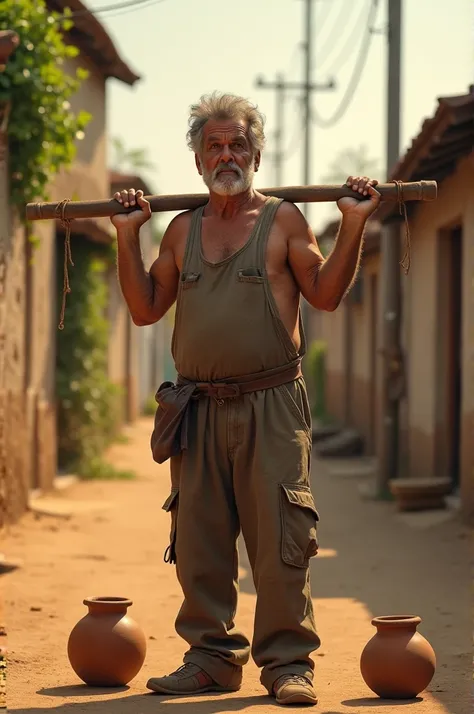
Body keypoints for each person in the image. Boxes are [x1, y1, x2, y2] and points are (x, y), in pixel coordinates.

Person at [111, 92, 380, 707]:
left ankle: (288, 663)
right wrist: (128, 234)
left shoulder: (283, 222)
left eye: (238, 145)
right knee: (200, 541)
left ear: (256, 154)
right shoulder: (181, 231)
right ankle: (210, 658)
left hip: (273, 405)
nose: (226, 155)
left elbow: (327, 295)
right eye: (214, 145)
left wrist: (356, 222)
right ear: (198, 158)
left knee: (283, 539)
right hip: (197, 409)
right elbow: (145, 308)